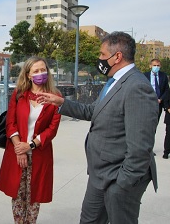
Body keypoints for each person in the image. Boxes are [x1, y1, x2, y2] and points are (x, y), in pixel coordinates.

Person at [37, 31, 158, 224]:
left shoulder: (137, 87)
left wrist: (121, 185)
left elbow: (140, 148)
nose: (99, 59)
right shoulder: (113, 82)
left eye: (102, 54)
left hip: (118, 178)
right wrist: (61, 103)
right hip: (100, 174)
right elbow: (93, 111)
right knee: (89, 220)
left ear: (117, 56)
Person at [0, 56, 61, 223]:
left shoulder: (55, 96)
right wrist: (20, 148)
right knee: (18, 194)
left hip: (39, 152)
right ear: (28, 75)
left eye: (43, 69)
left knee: (34, 196)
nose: (41, 73)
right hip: (17, 151)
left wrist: (30, 145)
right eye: (36, 71)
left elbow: (52, 129)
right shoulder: (19, 94)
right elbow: (11, 123)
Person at [162, 89, 170, 159]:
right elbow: (165, 101)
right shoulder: (168, 91)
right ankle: (166, 152)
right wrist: (168, 108)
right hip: (169, 116)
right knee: (168, 135)